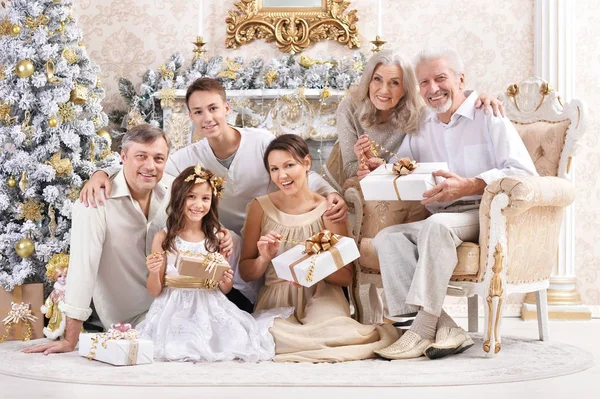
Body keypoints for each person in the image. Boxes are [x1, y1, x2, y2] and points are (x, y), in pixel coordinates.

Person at [80, 78, 347, 312]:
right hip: (220, 239)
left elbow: (294, 168)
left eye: (213, 108)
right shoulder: (187, 157)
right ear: (190, 117)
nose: (207, 118)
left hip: (268, 229)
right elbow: (149, 167)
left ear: (226, 109)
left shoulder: (261, 141)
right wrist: (102, 172)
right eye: (198, 112)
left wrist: (331, 192)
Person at [372, 48, 538, 361]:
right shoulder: (422, 125)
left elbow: (522, 173)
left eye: (440, 78)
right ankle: (441, 327)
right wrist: (380, 169)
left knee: (435, 226)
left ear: (460, 79)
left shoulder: (489, 114)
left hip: (482, 214)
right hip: (443, 218)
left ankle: (420, 332)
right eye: (424, 82)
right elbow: (406, 166)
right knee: (388, 238)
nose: (432, 89)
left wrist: (471, 184)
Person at [23, 125, 232, 355]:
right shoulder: (94, 202)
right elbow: (83, 268)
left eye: (159, 158)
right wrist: (70, 340)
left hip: (172, 311)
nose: (150, 166)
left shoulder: (173, 189)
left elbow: (199, 215)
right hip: (124, 323)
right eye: (140, 156)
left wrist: (222, 234)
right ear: (123, 157)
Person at [239, 134, 398, 362]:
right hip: (278, 297)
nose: (281, 175)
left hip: (323, 295)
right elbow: (246, 271)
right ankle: (302, 341)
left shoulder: (329, 210)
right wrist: (264, 259)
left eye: (289, 165)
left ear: (306, 163)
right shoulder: (259, 207)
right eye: (274, 169)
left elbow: (346, 277)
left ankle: (313, 339)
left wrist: (313, 267)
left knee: (335, 331)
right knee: (271, 334)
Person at [137, 164, 292, 362]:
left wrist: (224, 278)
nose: (198, 204)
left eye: (205, 198)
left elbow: (224, 288)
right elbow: (154, 291)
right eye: (191, 196)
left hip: (209, 303)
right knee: (178, 345)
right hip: (173, 306)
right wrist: (154, 271)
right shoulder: (164, 238)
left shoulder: (216, 237)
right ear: (179, 198)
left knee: (234, 340)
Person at [336, 49, 505, 182]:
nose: (384, 90)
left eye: (395, 82)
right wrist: (364, 164)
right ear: (368, 81)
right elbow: (349, 168)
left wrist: (482, 97)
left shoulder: (420, 114)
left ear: (406, 88)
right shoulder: (350, 107)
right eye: (377, 79)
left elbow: (452, 96)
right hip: (356, 180)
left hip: (391, 179)